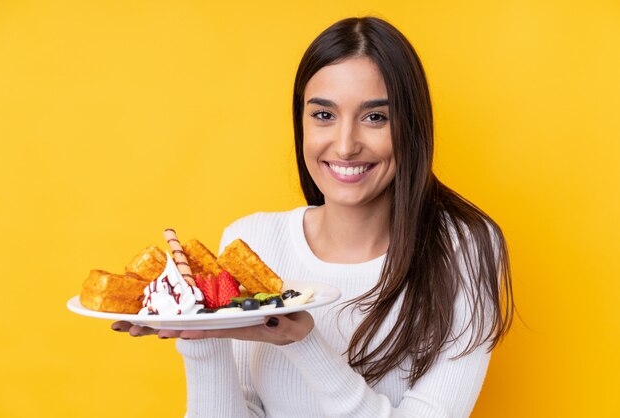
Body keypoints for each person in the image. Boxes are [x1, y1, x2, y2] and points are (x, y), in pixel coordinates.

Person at [113, 16, 514, 417]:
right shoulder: (253, 241)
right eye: (324, 115)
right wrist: (201, 335)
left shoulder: (467, 250)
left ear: (411, 127)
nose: (345, 145)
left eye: (375, 117)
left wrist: (303, 341)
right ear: (300, 122)